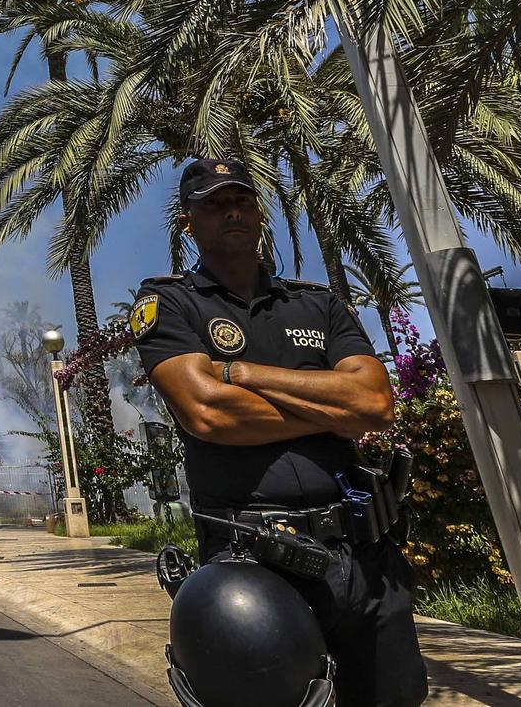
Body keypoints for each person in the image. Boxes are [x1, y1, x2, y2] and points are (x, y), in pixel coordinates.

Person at [131, 157, 425, 707]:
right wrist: (327, 400)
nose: (232, 212)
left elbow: (376, 403)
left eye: (241, 200)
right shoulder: (170, 303)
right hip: (253, 560)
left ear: (259, 213)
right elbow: (209, 415)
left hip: (362, 555)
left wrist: (243, 374)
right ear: (187, 221)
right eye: (214, 204)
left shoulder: (317, 303)